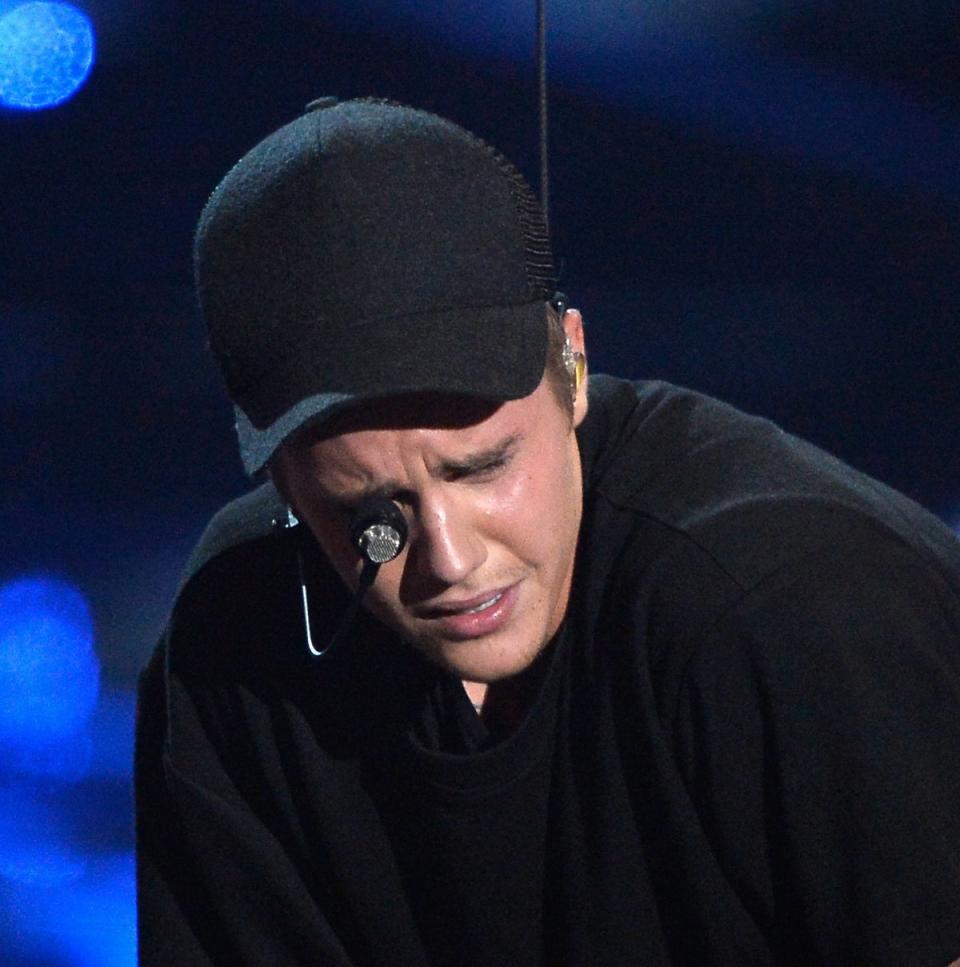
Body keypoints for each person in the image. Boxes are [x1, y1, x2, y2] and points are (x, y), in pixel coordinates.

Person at [135, 97, 960, 966]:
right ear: (283, 481)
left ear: (573, 363)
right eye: (370, 517)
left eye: (482, 467)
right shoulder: (232, 650)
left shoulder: (796, 607)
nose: (449, 561)